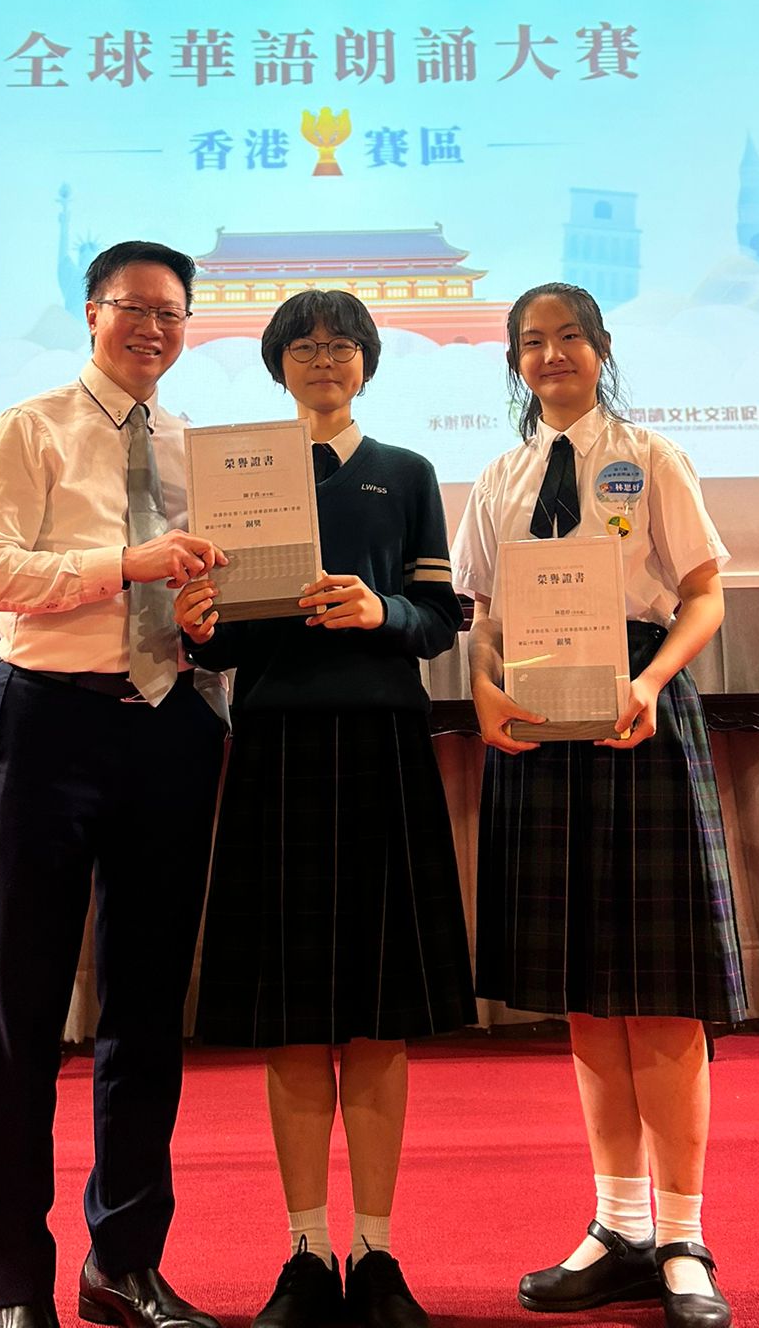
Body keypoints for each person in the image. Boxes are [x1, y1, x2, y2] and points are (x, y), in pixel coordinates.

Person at [175, 291, 476, 1328]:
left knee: (381, 1018)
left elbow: (436, 618)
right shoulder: (238, 475)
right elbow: (224, 642)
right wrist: (199, 623)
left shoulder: (409, 471)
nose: (321, 359)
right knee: (294, 1017)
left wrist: (377, 608)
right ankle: (306, 1250)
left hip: (385, 745)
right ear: (276, 364)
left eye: (339, 345)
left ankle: (376, 1252)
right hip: (275, 749)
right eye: (301, 346)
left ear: (367, 361)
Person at [453, 283, 745, 1328]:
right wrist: (482, 688)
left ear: (601, 346)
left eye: (569, 336)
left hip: (637, 711)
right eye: (531, 342)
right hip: (539, 720)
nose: (551, 355)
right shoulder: (499, 476)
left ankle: (682, 1237)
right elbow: (484, 617)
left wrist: (653, 681)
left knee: (661, 989)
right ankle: (617, 1225)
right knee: (583, 988)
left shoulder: (651, 456)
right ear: (514, 362)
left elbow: (704, 591)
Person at [0, 241, 231, 1328]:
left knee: (149, 1011)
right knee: (21, 1008)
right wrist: (123, 566)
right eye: (134, 307)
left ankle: (125, 1261)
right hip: (51, 724)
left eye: (172, 313)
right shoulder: (30, 428)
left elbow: (210, 596)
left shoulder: (199, 446)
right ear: (91, 312)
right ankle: (13, 1282)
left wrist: (208, 619)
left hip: (171, 724)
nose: (153, 328)